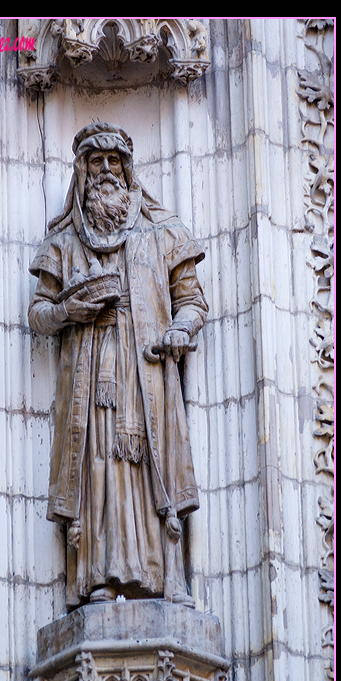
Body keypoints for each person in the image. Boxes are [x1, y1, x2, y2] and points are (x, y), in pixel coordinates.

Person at [28, 122, 208, 609]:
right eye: (94, 162)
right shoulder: (64, 243)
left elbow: (192, 302)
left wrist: (179, 330)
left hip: (147, 370)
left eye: (114, 162)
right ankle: (97, 580)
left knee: (154, 464)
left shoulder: (162, 232)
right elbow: (38, 314)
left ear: (128, 172)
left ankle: (166, 577)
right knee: (99, 468)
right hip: (91, 382)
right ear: (81, 174)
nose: (105, 171)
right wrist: (69, 311)